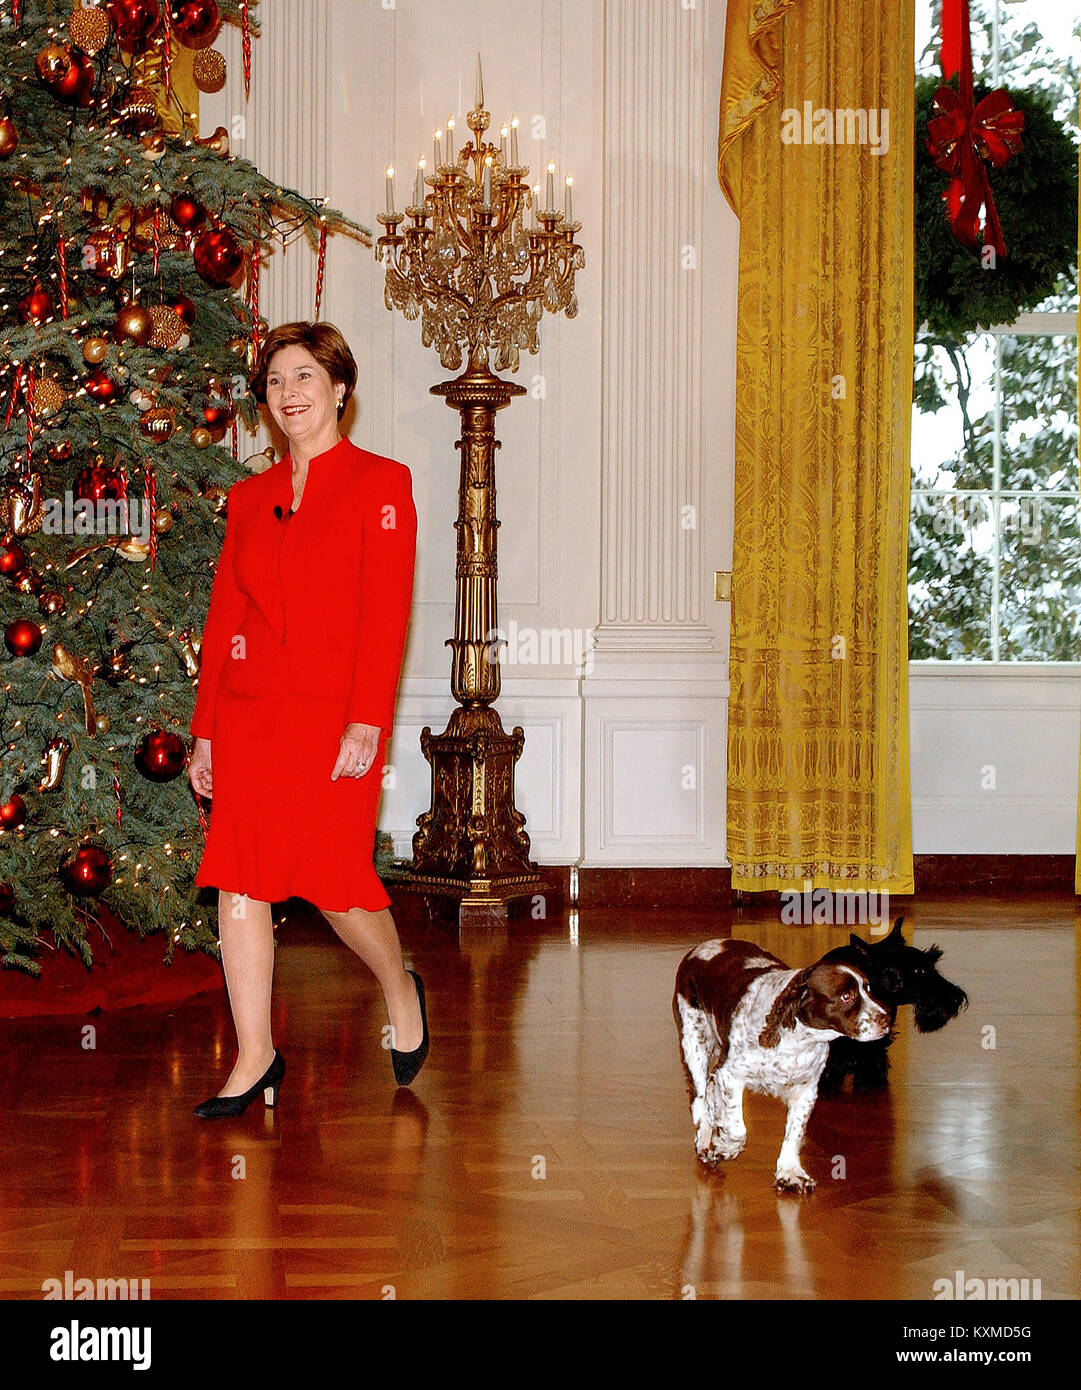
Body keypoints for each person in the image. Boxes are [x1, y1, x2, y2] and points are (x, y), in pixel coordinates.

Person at [186, 321, 428, 1117]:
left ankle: (399, 988)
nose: (289, 394)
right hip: (251, 714)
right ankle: (255, 1054)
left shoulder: (380, 483)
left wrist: (367, 720)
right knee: (240, 881)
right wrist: (206, 731)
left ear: (338, 389)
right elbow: (225, 619)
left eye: (304, 378)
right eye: (276, 383)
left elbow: (385, 613)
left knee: (333, 882)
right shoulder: (248, 499)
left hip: (333, 719)